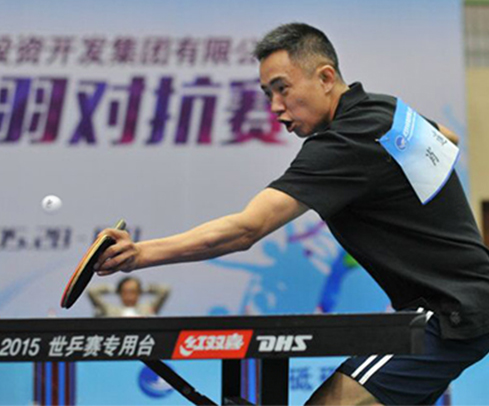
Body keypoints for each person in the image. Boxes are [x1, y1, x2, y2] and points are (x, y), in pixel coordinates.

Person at [93, 23, 489, 405]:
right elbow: (447, 138)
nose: (275, 107)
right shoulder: (382, 110)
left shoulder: (343, 144)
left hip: (449, 311)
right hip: (463, 300)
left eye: (283, 89)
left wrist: (140, 254)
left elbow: (246, 229)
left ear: (326, 77)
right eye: (268, 94)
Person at [88, 276, 170, 317]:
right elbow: (91, 291)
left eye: (133, 291)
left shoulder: (147, 308)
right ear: (120, 293)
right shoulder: (110, 310)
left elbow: (165, 290)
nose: (129, 296)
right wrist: (114, 289)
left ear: (139, 293)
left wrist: (144, 289)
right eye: (125, 292)